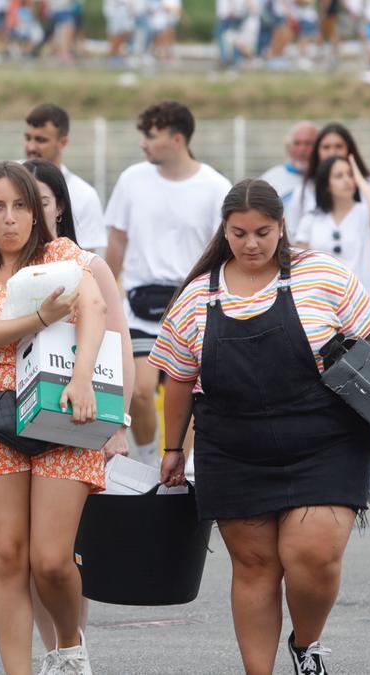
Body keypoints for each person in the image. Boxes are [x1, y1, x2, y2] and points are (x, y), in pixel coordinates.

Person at [150, 179, 370, 675]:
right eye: (239, 233)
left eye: (263, 232)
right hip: (233, 449)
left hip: (324, 441)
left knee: (312, 557)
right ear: (224, 231)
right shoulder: (196, 298)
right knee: (255, 568)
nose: (251, 244)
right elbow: (178, 380)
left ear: (282, 226)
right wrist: (173, 449)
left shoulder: (321, 275)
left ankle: (306, 644)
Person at [0, 161, 110, 675]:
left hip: (65, 411)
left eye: (20, 205)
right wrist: (40, 317)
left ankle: (68, 645)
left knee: (50, 560)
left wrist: (83, 376)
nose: (11, 218)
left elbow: (95, 309)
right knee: (8, 556)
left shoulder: (60, 255)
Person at [23, 158, 134, 659]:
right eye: (15, 203)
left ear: (59, 207)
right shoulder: (0, 268)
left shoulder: (89, 265)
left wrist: (118, 424)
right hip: (12, 425)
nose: (25, 214)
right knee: (24, 557)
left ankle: (72, 650)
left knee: (61, 555)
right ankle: (55, 655)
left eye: (38, 202)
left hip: (79, 422)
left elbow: (119, 344)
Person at [104, 101, 232, 468]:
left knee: (193, 394)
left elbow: (223, 252)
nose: (144, 144)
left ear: (177, 139)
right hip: (139, 306)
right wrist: (104, 297)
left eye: (151, 135)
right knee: (140, 391)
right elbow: (116, 243)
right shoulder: (132, 180)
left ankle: (183, 467)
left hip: (192, 306)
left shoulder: (215, 187)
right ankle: (146, 460)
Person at [295, 154, 370, 301]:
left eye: (350, 175)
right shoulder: (311, 219)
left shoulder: (365, 213)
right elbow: (301, 266)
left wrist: (359, 177)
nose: (347, 180)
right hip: (323, 302)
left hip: (362, 303)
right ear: (326, 185)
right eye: (339, 176)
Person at [23, 104, 108, 254]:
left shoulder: (84, 195)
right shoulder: (5, 181)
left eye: (40, 140)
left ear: (62, 142)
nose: (31, 147)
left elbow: (87, 260)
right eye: (28, 138)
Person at [284, 122, 370, 234]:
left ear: (350, 150)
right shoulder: (305, 189)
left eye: (339, 146)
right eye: (326, 147)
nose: (332, 152)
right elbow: (293, 233)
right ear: (317, 152)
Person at [259, 121, 319, 210]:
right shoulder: (269, 180)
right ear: (288, 147)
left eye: (308, 143)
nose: (302, 149)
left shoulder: (331, 178)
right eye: (297, 143)